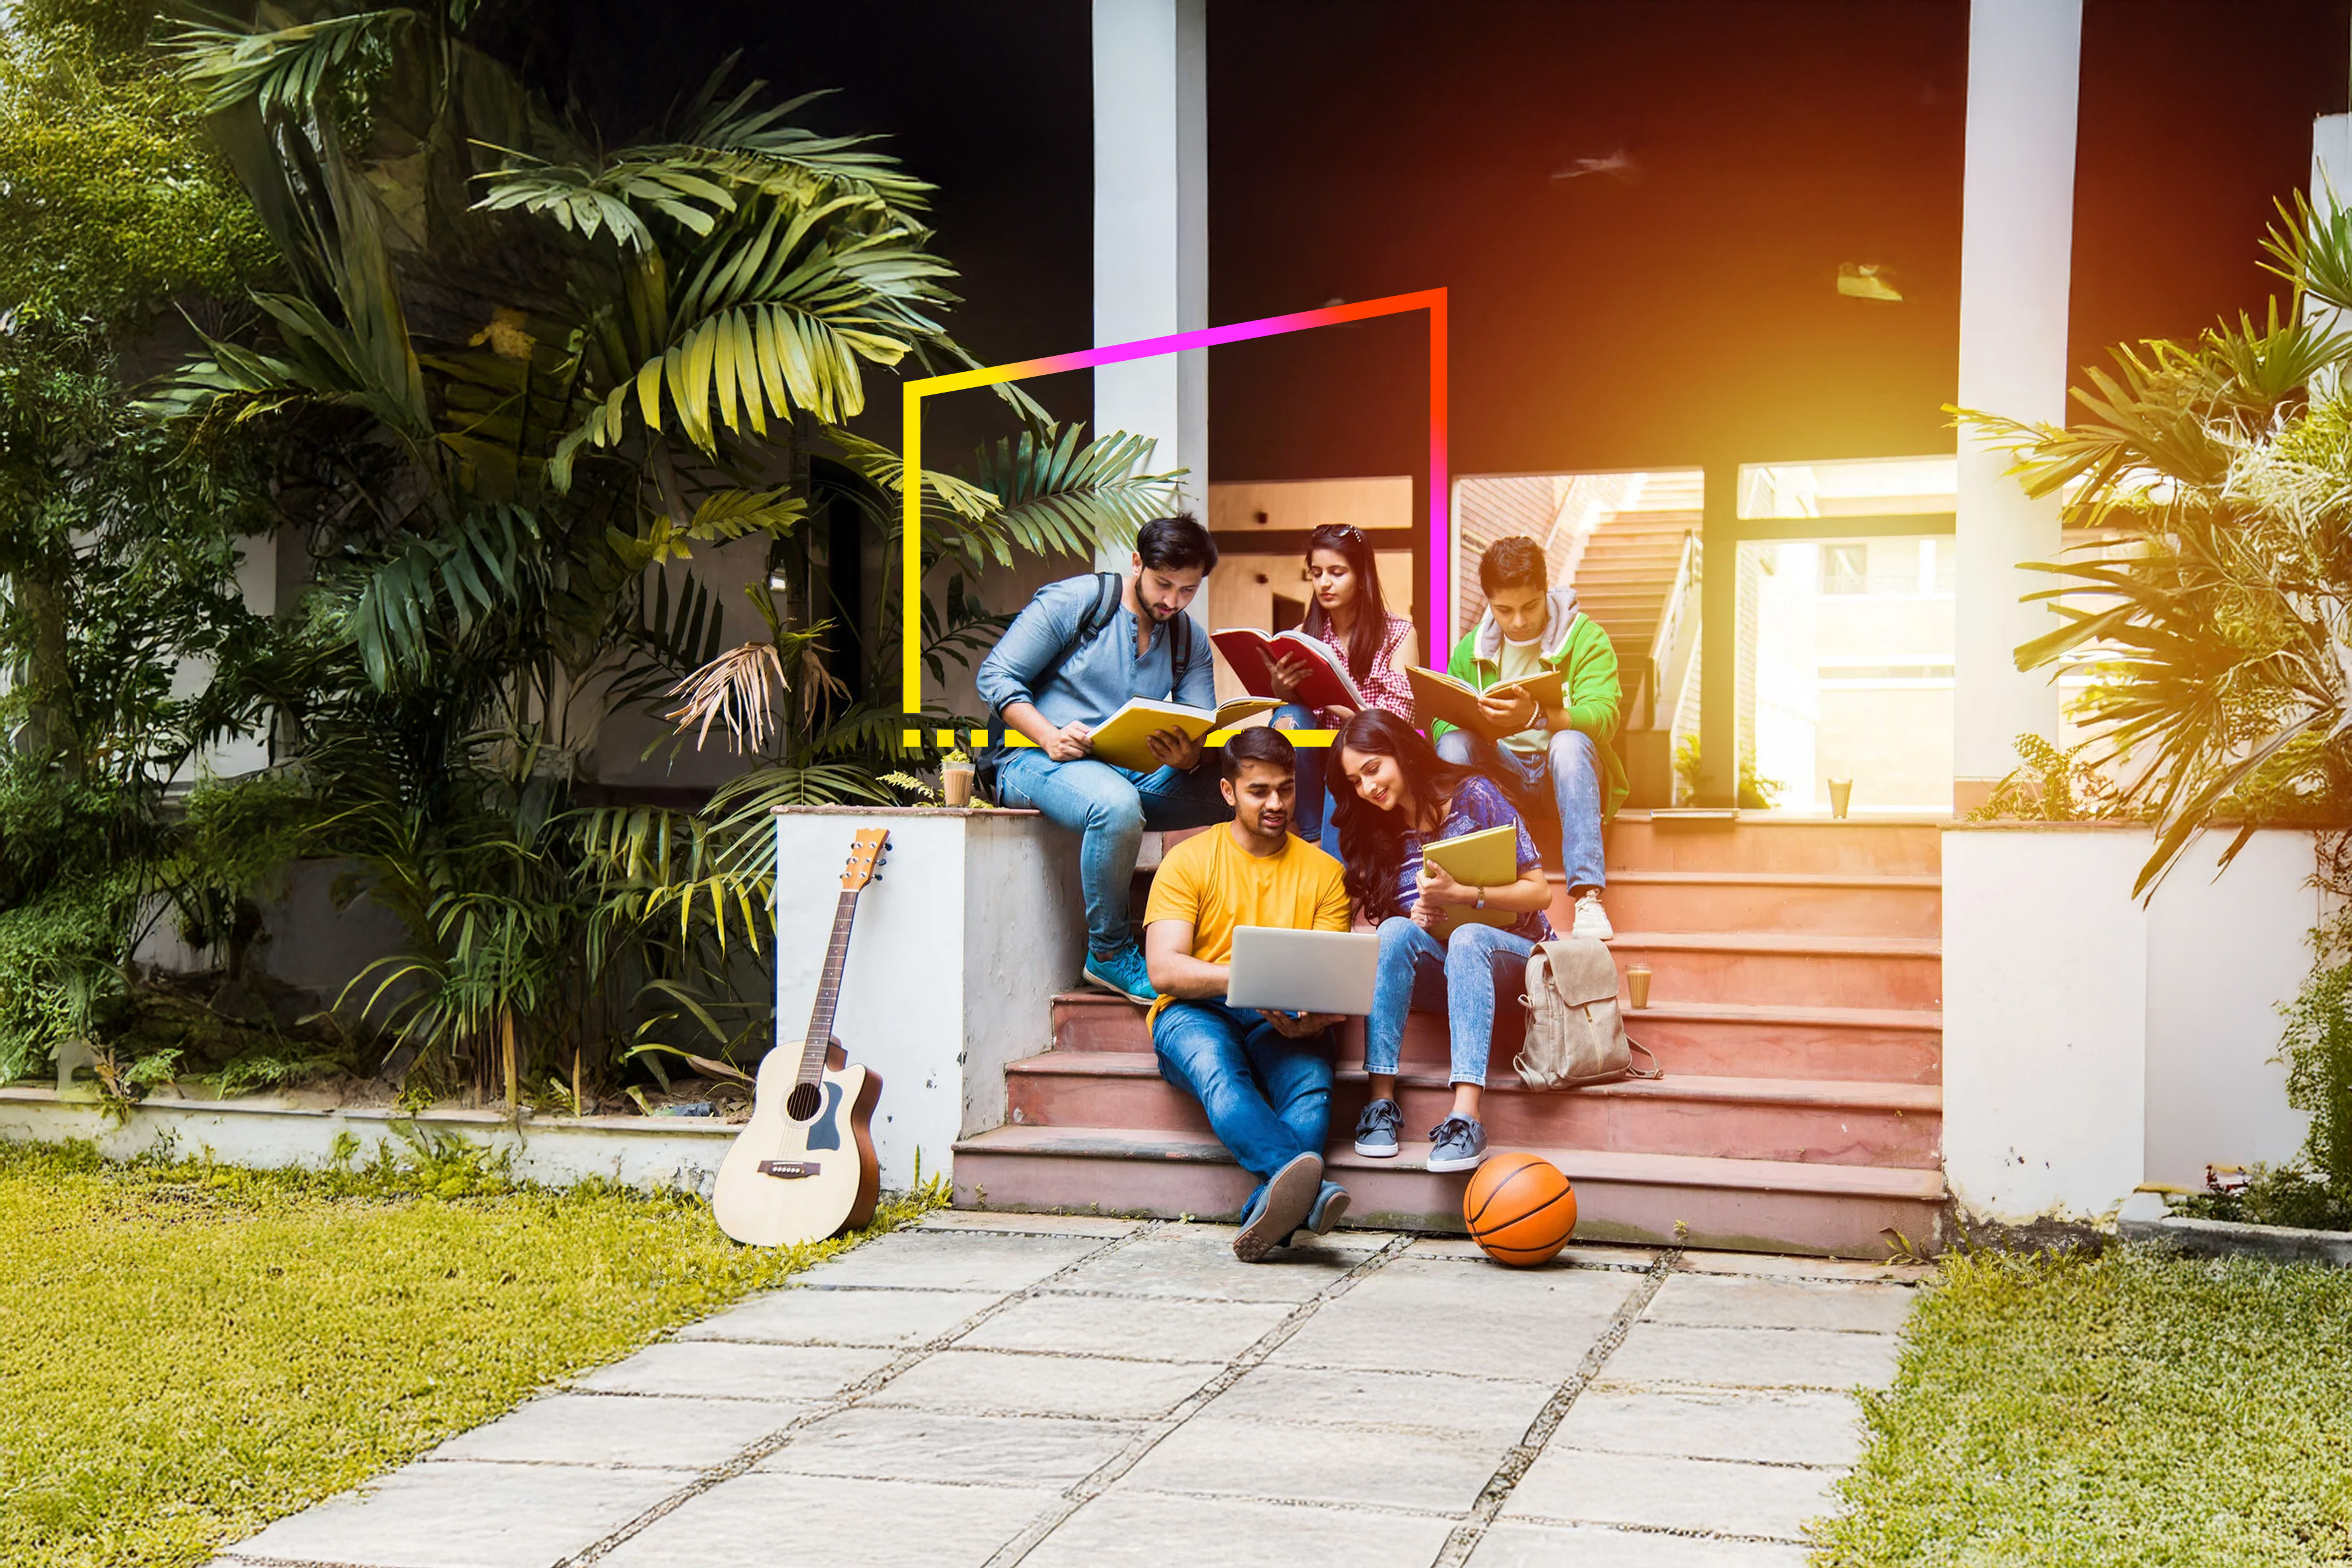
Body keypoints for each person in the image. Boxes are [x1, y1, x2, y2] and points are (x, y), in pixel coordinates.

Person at [978, 515, 1230, 1005]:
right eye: (1163, 584)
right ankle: (1109, 953)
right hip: (1032, 760)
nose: (1172, 601)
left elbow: (1199, 724)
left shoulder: (1188, 639)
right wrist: (1049, 735)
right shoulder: (1075, 602)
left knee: (1244, 790)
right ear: (1137, 563)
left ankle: (1225, 939)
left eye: (1187, 590)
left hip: (1126, 771)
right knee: (1115, 806)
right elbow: (996, 676)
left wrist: (1187, 756)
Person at [1144, 725, 1355, 1261]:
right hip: (1196, 1012)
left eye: (1285, 788)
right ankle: (1316, 1193)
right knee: (1220, 1072)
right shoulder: (1188, 860)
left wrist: (1315, 1016)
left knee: (1312, 1091)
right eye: (1259, 791)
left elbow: (1325, 975)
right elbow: (1165, 970)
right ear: (1228, 792)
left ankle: (1270, 1208)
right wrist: (1246, 981)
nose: (1276, 803)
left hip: (1281, 1017)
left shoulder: (1326, 873)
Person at [1329, 709, 1554, 1174]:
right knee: (1392, 931)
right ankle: (1380, 1105)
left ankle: (1466, 1117)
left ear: (1401, 754)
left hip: (1516, 961)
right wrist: (1420, 916)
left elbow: (1540, 891)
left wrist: (1465, 896)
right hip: (1450, 969)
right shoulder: (1381, 829)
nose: (1368, 788)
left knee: (1471, 936)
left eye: (1373, 769)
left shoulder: (1474, 797)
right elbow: (1404, 933)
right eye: (1355, 781)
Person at [1430, 534, 1626, 941]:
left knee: (1569, 742)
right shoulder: (1472, 648)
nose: (1518, 621)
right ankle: (1466, 885)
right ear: (1488, 603)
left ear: (1545, 589)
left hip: (1566, 779)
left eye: (1530, 606)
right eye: (1503, 610)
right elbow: (1440, 723)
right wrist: (1472, 720)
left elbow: (1605, 717)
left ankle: (1588, 896)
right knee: (1452, 746)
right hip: (1508, 782)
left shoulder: (1586, 638)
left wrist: (1540, 716)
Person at [1263, 522, 1419, 853]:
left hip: (1368, 764)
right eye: (1316, 573)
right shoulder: (1304, 635)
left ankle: (1329, 866)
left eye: (1337, 572)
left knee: (1345, 758)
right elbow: (1297, 719)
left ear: (1362, 577)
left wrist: (1344, 707)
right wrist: (1282, 688)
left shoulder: (1399, 634)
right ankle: (1311, 833)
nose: (1324, 583)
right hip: (1314, 765)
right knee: (1289, 714)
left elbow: (1399, 722)